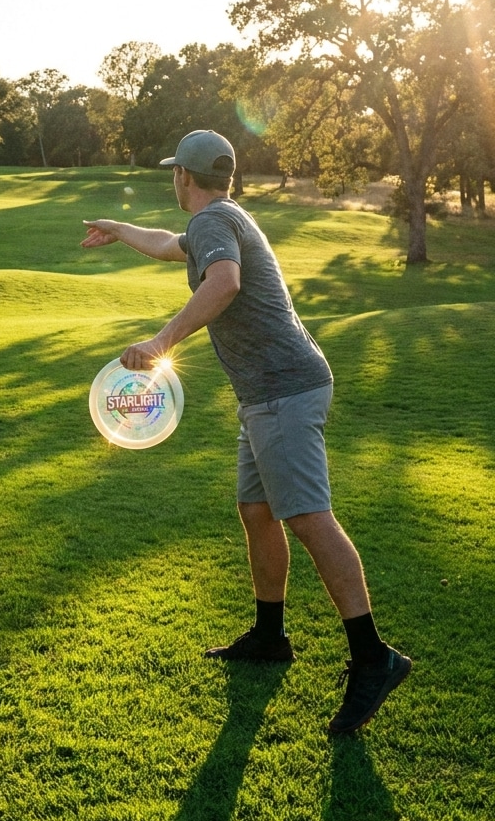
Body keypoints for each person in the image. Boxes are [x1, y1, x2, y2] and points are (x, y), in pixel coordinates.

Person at [81, 129, 410, 735]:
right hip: (269, 391)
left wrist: (161, 342)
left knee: (309, 518)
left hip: (284, 389)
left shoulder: (214, 227)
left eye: (173, 173)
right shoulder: (221, 218)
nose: (171, 180)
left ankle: (373, 657)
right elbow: (167, 245)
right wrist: (120, 229)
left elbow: (225, 283)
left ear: (183, 176)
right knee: (256, 509)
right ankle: (269, 634)